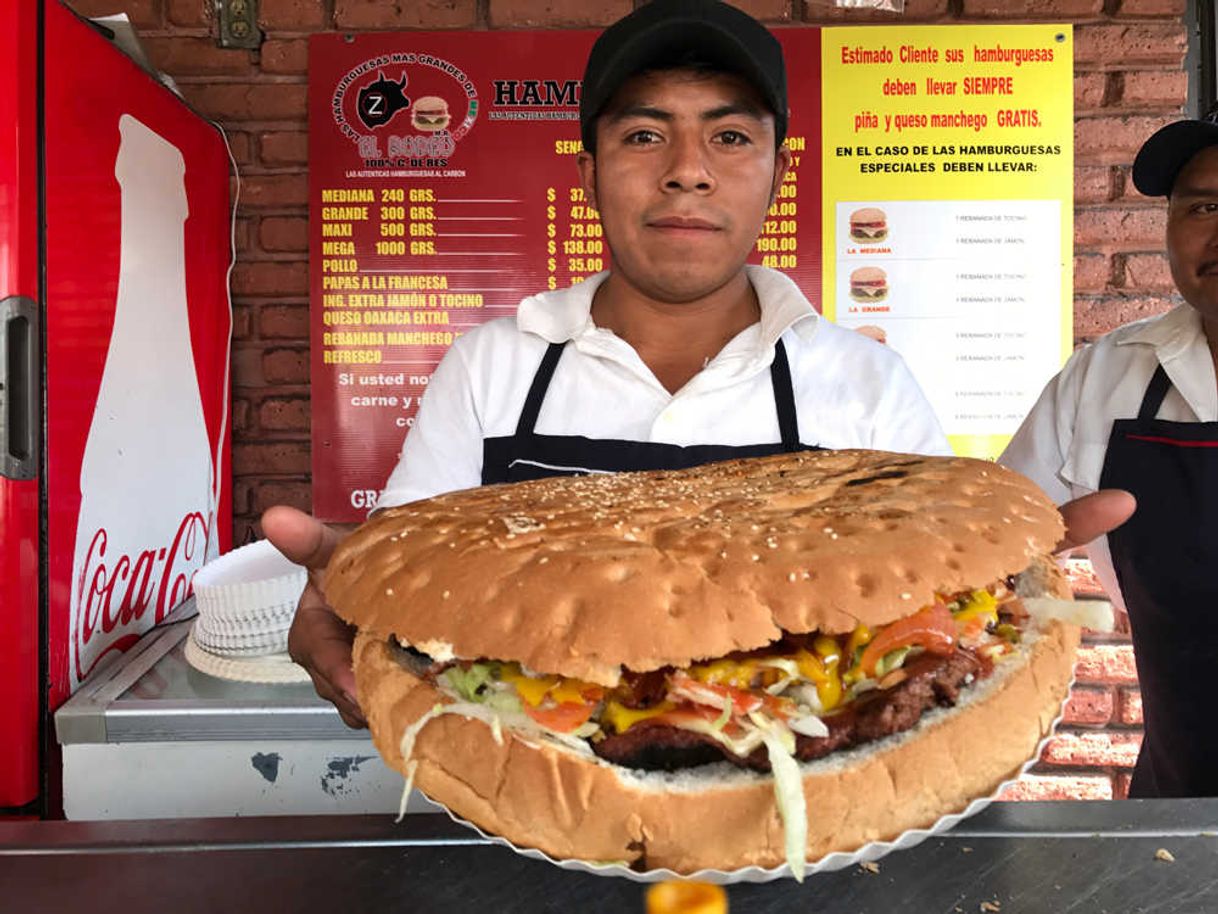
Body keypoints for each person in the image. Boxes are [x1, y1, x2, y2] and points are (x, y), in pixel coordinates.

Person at [265, 0, 1129, 728]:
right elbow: (420, 598)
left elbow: (926, 597)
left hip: (817, 807)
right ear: (589, 172)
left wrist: (1008, 586)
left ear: (775, 174)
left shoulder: (861, 382)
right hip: (528, 803)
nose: (687, 174)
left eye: (728, 139)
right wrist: (361, 598)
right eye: (645, 135)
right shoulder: (492, 367)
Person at [999, 113, 1218, 797]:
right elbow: (991, 552)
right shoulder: (1108, 376)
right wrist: (1001, 586)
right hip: (1175, 814)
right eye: (1203, 206)